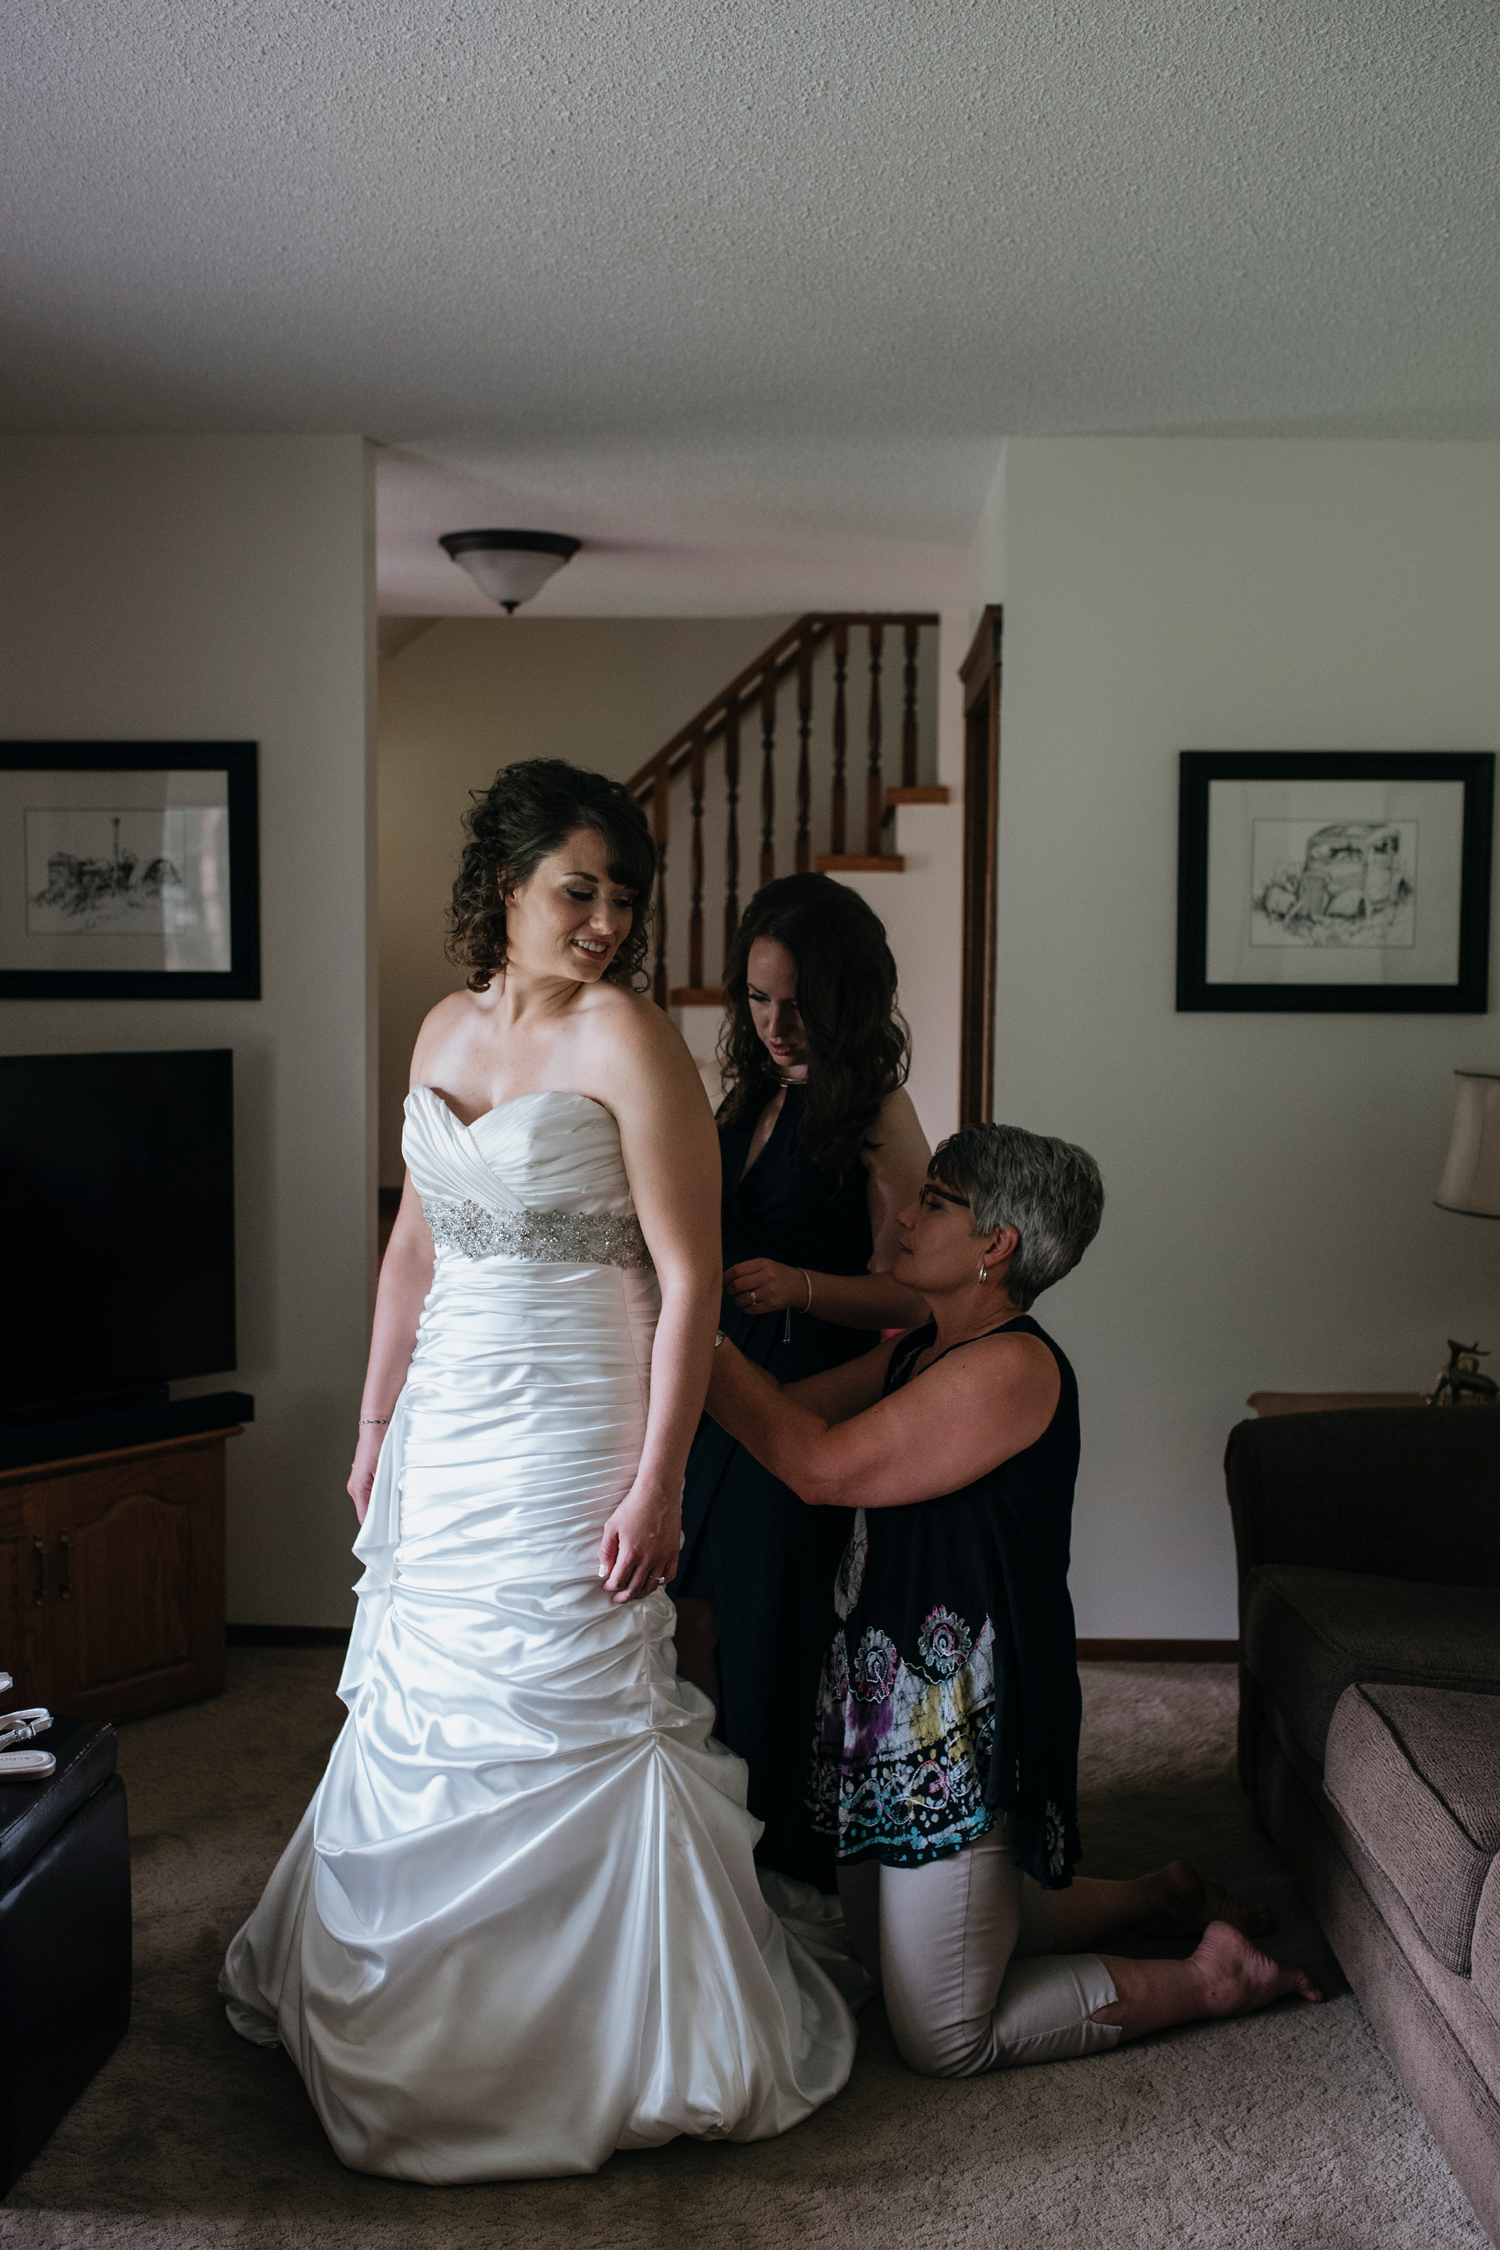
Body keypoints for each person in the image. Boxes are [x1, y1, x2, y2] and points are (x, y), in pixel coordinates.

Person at [220, 760, 856, 2180]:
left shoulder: (633, 1039)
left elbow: (689, 1285)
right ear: (504, 889)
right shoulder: (442, 1025)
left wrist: (659, 1482)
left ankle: (605, 2037)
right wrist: (377, 1425)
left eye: (625, 897)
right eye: (581, 890)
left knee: (570, 1699)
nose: (606, 921)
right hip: (450, 1420)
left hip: (581, 1414)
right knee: (428, 1694)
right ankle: (421, 2005)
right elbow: (412, 1249)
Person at [703, 1123, 1322, 2076]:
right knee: (875, 1952)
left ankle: (1215, 1977)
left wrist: (686, 1338)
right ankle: (1163, 1891)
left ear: (998, 1246)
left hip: (965, 1713)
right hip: (884, 1698)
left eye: (936, 1203)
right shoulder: (920, 1351)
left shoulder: (1012, 1367)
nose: (907, 1212)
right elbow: (788, 1412)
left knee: (942, 2033)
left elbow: (817, 1467)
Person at [672, 873, 931, 1888]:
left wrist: (806, 1287)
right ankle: (705, 1843)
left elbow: (919, 1302)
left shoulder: (878, 1110)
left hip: (800, 1400)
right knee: (690, 1620)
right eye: (759, 998)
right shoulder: (749, 1093)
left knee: (772, 1633)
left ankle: (781, 1863)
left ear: (847, 991)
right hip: (716, 1385)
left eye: (798, 1000)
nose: (777, 1023)